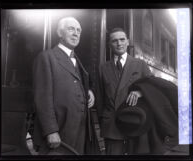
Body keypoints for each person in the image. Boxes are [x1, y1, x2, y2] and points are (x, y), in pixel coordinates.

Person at [32, 17, 95, 155]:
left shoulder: (78, 60)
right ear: (60, 33)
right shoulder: (46, 57)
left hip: (80, 132)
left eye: (79, 30)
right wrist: (51, 131)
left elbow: (75, 83)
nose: (76, 33)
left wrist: (88, 91)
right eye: (71, 29)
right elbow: (42, 99)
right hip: (59, 132)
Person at [98, 28, 152, 155]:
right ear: (109, 44)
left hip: (135, 123)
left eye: (122, 39)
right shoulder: (103, 68)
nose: (119, 43)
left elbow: (153, 87)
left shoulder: (140, 64)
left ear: (128, 41)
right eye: (114, 41)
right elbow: (100, 97)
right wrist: (103, 121)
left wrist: (140, 92)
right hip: (111, 125)